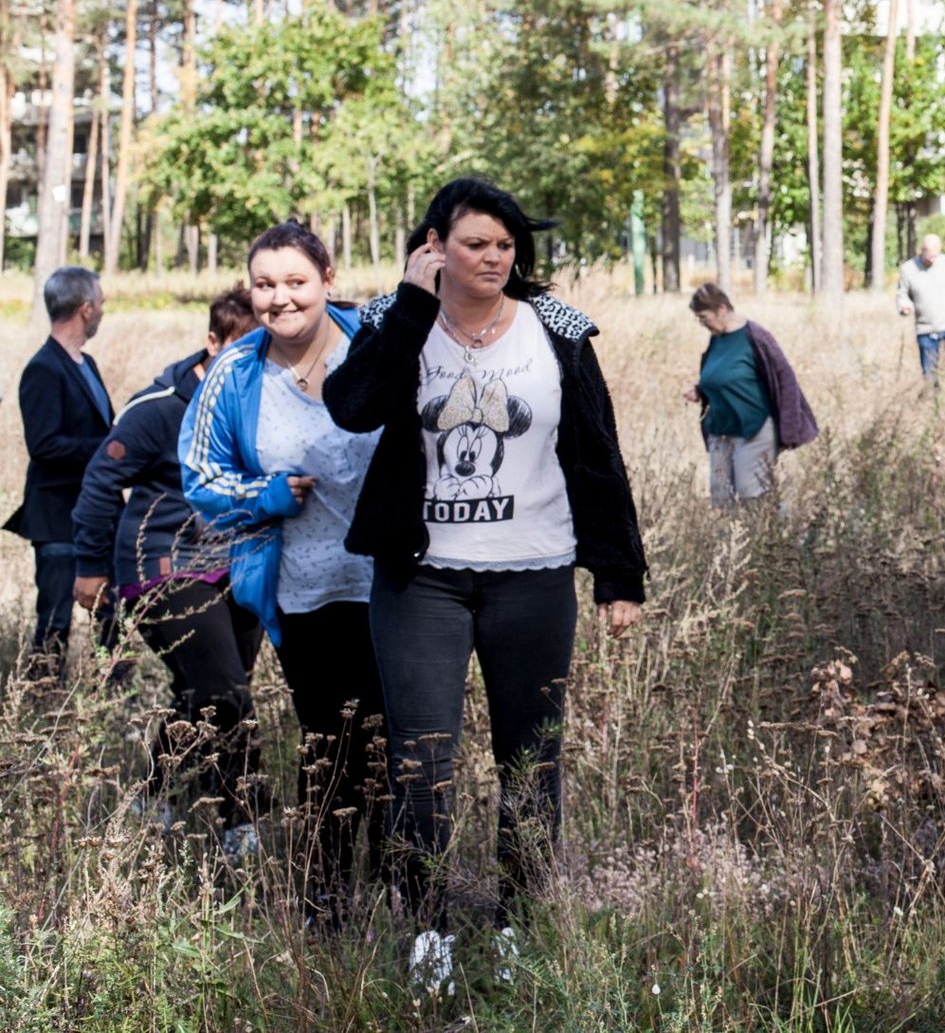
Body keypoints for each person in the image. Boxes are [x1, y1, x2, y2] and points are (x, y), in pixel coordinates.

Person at [323, 177, 648, 991]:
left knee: (531, 761)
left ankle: (518, 923)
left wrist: (619, 575)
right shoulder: (386, 319)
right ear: (434, 246)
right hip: (422, 579)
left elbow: (598, 452)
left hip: (533, 575)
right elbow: (351, 407)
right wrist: (407, 302)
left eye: (505, 245)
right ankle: (425, 929)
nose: (495, 257)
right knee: (420, 762)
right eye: (476, 244)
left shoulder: (560, 327)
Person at [179, 222, 388, 926]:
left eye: (295, 281)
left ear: (328, 277)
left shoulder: (379, 344)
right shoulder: (238, 371)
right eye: (264, 285)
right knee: (327, 745)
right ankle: (324, 902)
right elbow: (201, 477)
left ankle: (406, 901)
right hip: (301, 594)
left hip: (394, 587)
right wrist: (261, 497)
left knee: (394, 743)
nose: (279, 298)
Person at [73, 287, 265, 855]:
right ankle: (240, 822)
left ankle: (154, 798)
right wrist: (88, 568)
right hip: (163, 565)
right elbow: (101, 480)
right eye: (240, 348)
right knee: (226, 691)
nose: (252, 361)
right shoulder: (160, 406)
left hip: (238, 566)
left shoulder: (268, 397)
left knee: (204, 694)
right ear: (212, 342)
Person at [4, 266, 124, 681]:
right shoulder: (43, 369)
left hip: (97, 514)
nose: (104, 310)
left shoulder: (85, 362)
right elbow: (44, 445)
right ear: (86, 309)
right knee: (54, 621)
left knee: (113, 617)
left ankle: (115, 700)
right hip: (56, 518)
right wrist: (110, 448)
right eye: (102, 303)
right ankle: (43, 702)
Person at [682, 282, 817, 507]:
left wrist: (790, 429)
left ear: (722, 309)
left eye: (704, 317)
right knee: (721, 496)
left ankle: (769, 538)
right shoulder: (716, 338)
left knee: (751, 494)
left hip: (754, 429)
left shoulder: (755, 336)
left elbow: (786, 380)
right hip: (720, 430)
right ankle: (729, 542)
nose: (702, 324)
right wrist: (700, 390)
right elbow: (718, 376)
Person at [895, 233, 945, 401]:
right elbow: (902, 295)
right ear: (921, 250)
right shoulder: (908, 269)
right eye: (929, 254)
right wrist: (904, 306)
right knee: (929, 375)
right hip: (925, 330)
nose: (932, 259)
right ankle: (934, 408)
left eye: (936, 254)